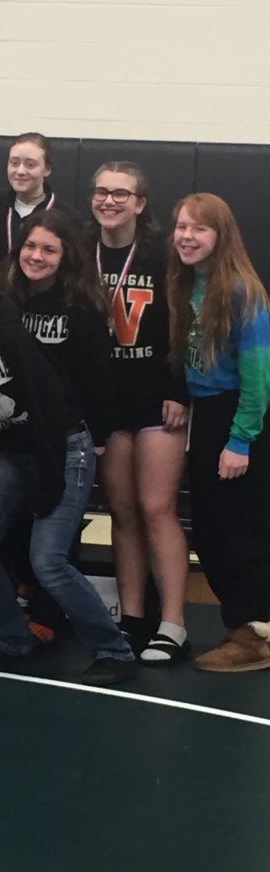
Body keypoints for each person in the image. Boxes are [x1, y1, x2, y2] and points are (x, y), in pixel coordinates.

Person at [0, 263, 136, 684]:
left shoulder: (12, 339)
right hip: (16, 456)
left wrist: (52, 481)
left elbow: (50, 409)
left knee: (47, 560)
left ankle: (114, 650)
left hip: (64, 449)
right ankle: (10, 638)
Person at [90, 161, 190, 664]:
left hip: (157, 397)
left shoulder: (161, 254)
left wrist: (180, 389)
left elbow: (185, 322)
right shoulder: (80, 253)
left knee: (156, 508)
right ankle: (131, 618)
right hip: (108, 402)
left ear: (141, 203)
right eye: (102, 192)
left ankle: (173, 621)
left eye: (121, 194)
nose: (110, 201)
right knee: (122, 512)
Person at [169, 193, 270, 671]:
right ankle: (243, 624)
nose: (186, 237)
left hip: (236, 417)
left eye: (199, 229)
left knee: (238, 530)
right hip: (205, 413)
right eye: (181, 227)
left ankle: (255, 634)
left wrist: (240, 439)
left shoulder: (240, 291)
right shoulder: (190, 283)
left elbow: (258, 375)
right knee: (208, 529)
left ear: (220, 236)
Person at [0, 132, 81, 266]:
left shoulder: (69, 218)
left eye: (30, 165)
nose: (20, 171)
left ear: (47, 169)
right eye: (14, 163)